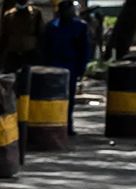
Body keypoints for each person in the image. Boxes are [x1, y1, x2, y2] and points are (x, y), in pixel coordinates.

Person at [43, 0, 95, 135]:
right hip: (53, 66)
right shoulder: (52, 27)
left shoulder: (79, 27)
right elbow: (45, 47)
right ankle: (54, 124)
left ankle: (68, 124)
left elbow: (84, 49)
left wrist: (81, 68)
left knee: (69, 97)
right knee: (52, 97)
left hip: (70, 66)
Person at [0, 0, 48, 72]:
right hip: (13, 55)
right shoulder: (9, 15)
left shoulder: (35, 13)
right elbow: (3, 38)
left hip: (30, 54)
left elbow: (41, 35)